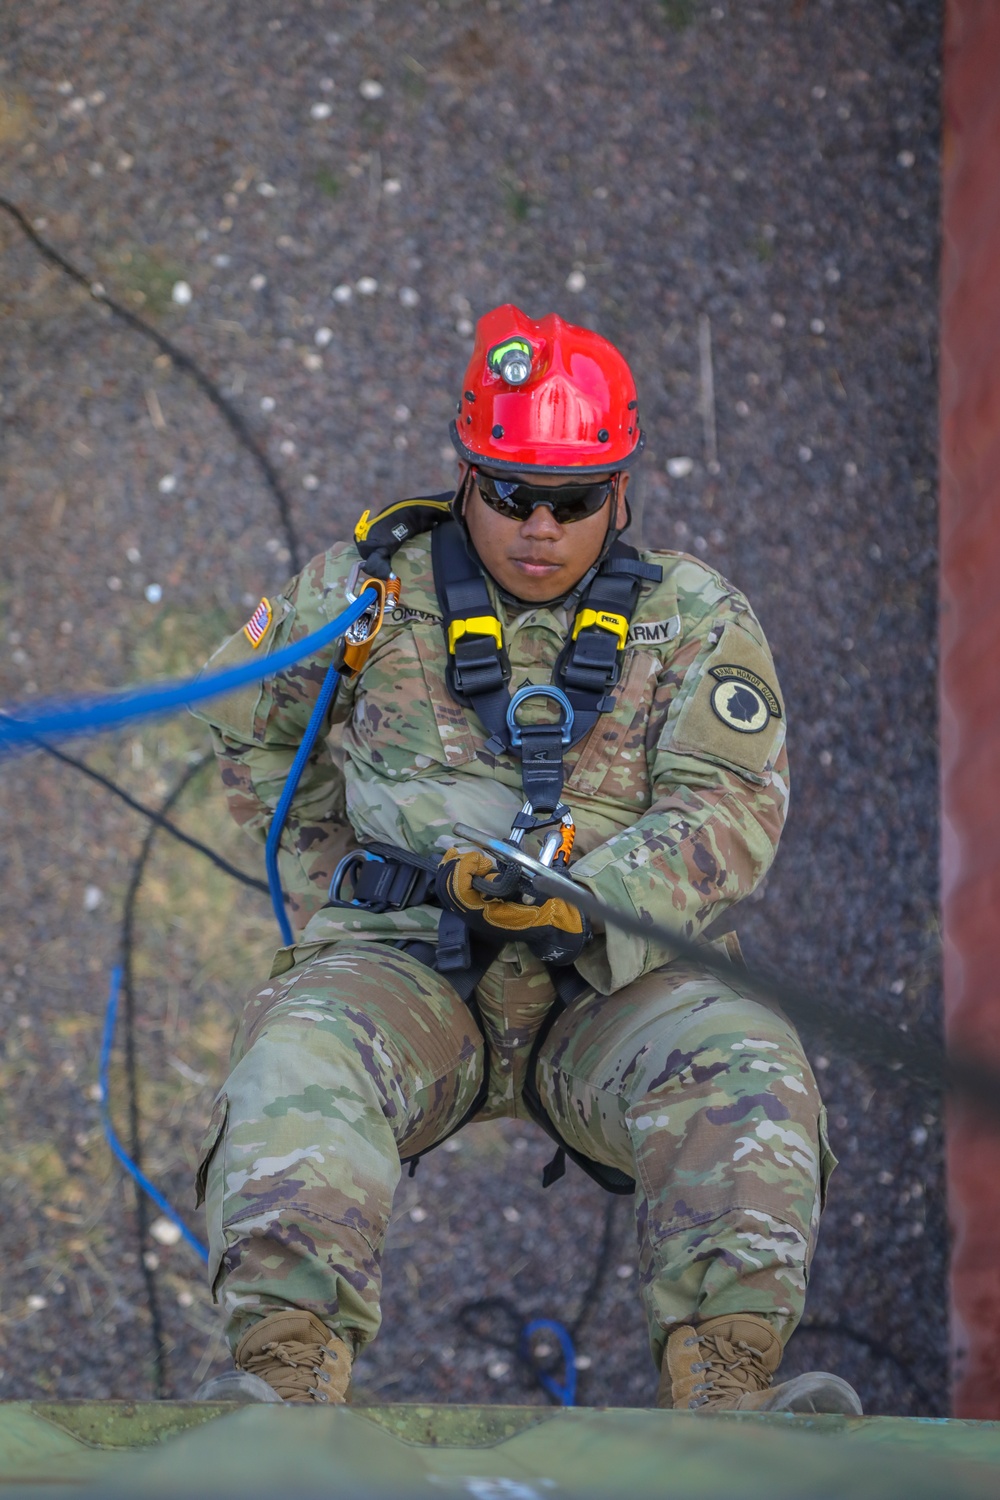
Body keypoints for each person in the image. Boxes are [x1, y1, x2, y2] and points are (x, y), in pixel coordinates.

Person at [191, 304, 861, 1413]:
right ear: (466, 476)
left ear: (621, 491)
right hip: (404, 965)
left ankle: (727, 1382)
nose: (537, 527)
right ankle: (285, 1378)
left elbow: (729, 805)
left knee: (747, 1064)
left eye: (572, 500)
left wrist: (590, 902)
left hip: (612, 987)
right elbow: (248, 723)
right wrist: (345, 882)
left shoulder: (690, 618)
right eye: (509, 493)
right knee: (295, 1062)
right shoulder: (367, 592)